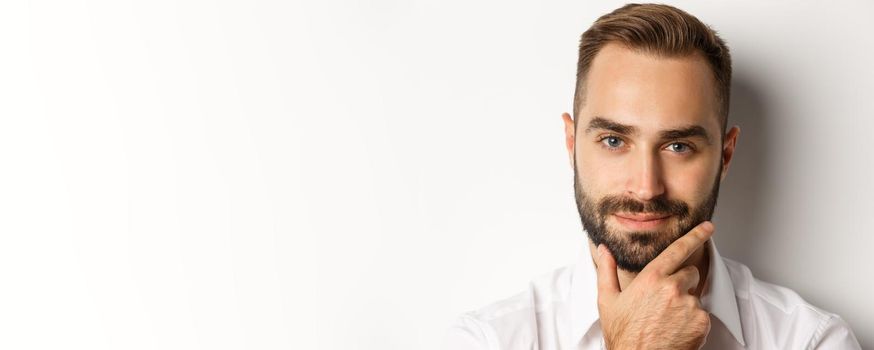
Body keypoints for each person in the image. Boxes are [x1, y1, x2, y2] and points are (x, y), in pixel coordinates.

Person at [443, 3, 861, 349]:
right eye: (613, 141)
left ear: (726, 155)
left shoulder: (810, 340)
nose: (646, 187)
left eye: (678, 146)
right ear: (571, 144)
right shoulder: (488, 339)